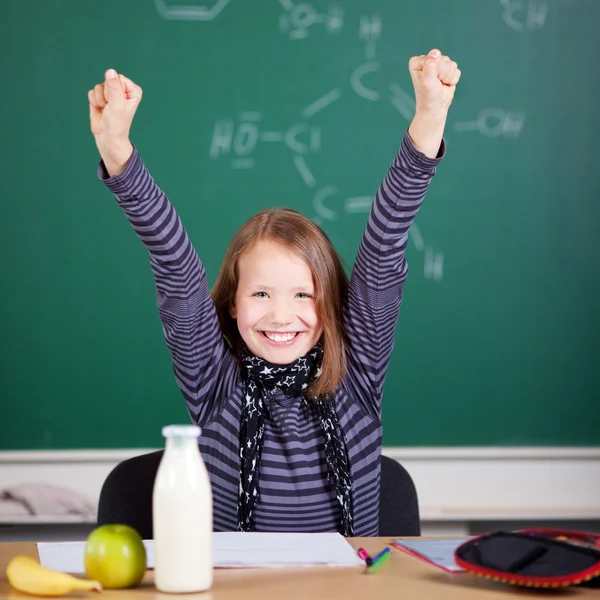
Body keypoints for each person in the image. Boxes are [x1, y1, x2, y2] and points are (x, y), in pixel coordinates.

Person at [88, 49, 461, 536]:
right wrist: (116, 148)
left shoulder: (358, 369)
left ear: (330, 306)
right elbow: (174, 263)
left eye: (304, 296)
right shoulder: (213, 382)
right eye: (261, 295)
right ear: (232, 304)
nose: (281, 315)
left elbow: (386, 240)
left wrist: (430, 116)